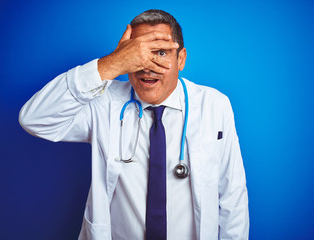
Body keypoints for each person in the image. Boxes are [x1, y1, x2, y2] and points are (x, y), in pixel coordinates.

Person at [19, 9, 249, 240]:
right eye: (138, 54)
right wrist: (111, 64)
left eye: (160, 52)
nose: (148, 66)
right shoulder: (103, 102)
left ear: (181, 59)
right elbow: (34, 119)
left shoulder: (214, 105)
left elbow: (233, 194)